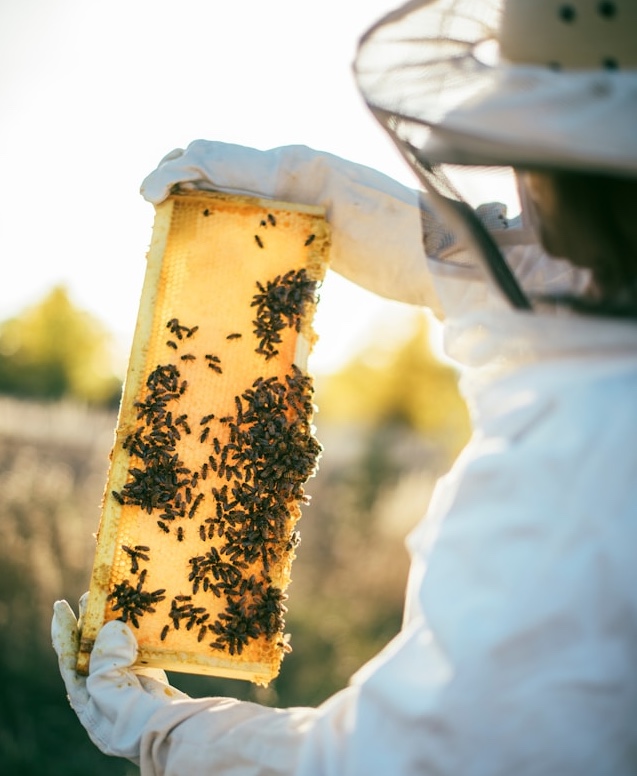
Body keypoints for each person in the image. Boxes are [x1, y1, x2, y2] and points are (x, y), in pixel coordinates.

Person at [52, 0, 637, 773]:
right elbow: (547, 284)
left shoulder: (574, 460)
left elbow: (388, 763)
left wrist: (160, 730)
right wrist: (326, 197)